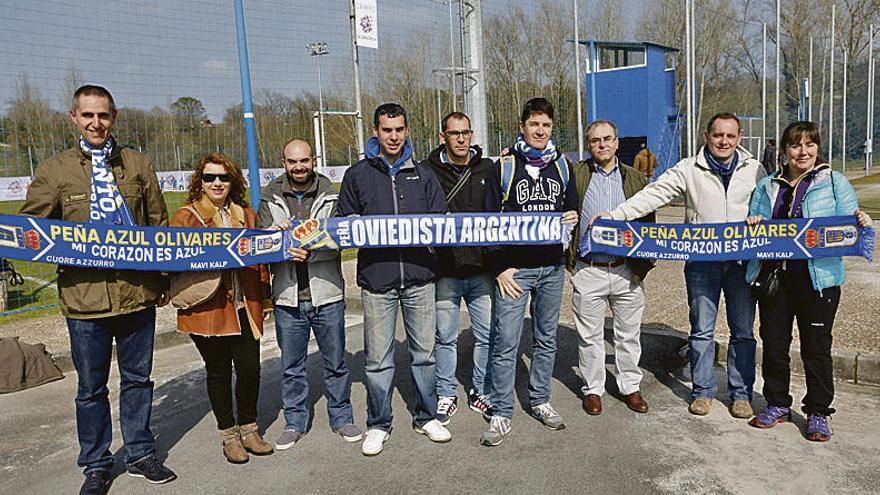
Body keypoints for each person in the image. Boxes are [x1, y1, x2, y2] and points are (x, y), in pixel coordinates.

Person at [19, 85, 176, 494]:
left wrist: (162, 282)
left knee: (138, 380)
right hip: (84, 300)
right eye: (87, 115)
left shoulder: (138, 165)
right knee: (91, 389)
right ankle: (96, 464)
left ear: (114, 117)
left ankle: (141, 453)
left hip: (137, 295)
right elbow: (28, 231)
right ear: (74, 117)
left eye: (103, 115)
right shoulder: (55, 171)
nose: (96, 123)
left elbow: (158, 227)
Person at [603, 113, 766, 418]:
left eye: (730, 136)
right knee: (702, 330)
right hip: (703, 262)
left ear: (739, 138)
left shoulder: (755, 169)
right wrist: (616, 216)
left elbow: (769, 205)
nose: (724, 141)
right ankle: (702, 391)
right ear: (707, 136)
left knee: (743, 331)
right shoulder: (689, 169)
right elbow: (654, 194)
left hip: (742, 261)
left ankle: (740, 394)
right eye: (718, 135)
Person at [745, 121, 872, 441]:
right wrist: (754, 221)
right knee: (774, 344)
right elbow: (754, 223)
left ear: (817, 148)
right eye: (796, 145)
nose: (803, 151)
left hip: (818, 278)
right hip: (775, 276)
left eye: (809, 145)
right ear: (785, 151)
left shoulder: (834, 183)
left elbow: (849, 223)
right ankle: (777, 403)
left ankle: (817, 411)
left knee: (816, 347)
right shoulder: (768, 185)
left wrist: (861, 222)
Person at [337, 103, 451, 456]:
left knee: (425, 355)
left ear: (407, 130)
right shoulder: (357, 175)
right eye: (387, 130)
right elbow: (344, 226)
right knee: (377, 360)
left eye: (400, 129)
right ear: (375, 131)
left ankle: (426, 416)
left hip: (419, 278)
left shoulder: (424, 172)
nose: (394, 136)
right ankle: (378, 423)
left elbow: (441, 220)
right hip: (377, 280)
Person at [480, 97, 579, 447]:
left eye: (546, 125)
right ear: (522, 126)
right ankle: (502, 412)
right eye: (534, 124)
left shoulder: (563, 167)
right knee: (506, 342)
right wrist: (499, 268)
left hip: (551, 267)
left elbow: (571, 208)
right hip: (514, 270)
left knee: (545, 339)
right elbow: (487, 224)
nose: (540, 131)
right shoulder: (504, 168)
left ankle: (539, 400)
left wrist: (572, 217)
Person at [170, 153, 274, 463]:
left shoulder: (247, 214)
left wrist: (265, 297)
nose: (217, 183)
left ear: (233, 181)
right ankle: (229, 435)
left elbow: (261, 259)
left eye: (223, 177)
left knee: (250, 369)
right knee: (218, 372)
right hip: (208, 308)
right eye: (210, 177)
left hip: (246, 304)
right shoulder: (185, 217)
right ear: (199, 182)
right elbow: (174, 261)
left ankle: (250, 429)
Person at [257, 139, 361, 449]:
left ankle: (342, 418)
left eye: (304, 160)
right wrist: (282, 244)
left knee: (336, 364)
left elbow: (342, 238)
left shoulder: (332, 194)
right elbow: (261, 243)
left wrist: (311, 244)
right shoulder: (269, 198)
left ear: (314, 160)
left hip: (326, 293)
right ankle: (295, 422)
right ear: (283, 162)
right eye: (292, 161)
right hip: (288, 296)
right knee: (292, 367)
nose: (299, 166)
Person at [567, 120, 655, 416]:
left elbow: (648, 223)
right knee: (589, 335)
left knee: (628, 334)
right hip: (589, 268)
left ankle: (630, 386)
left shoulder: (635, 179)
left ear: (617, 142)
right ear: (588, 145)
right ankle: (593, 389)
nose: (602, 145)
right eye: (595, 140)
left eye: (607, 139)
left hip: (624, 269)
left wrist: (643, 265)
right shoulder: (576, 174)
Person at [423, 111, 496, 423]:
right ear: (443, 137)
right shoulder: (426, 171)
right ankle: (446, 393)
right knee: (445, 337)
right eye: (455, 134)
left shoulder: (489, 168)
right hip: (445, 270)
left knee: (486, 335)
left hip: (481, 269)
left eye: (466, 132)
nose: (462, 138)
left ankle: (480, 390)